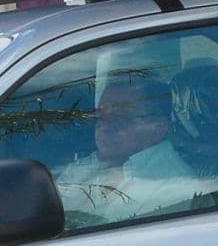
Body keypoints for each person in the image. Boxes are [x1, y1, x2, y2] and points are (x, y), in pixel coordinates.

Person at [53, 74, 205, 230]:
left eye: (121, 117)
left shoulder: (178, 189)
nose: (105, 126)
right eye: (100, 116)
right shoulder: (82, 169)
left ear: (159, 126)